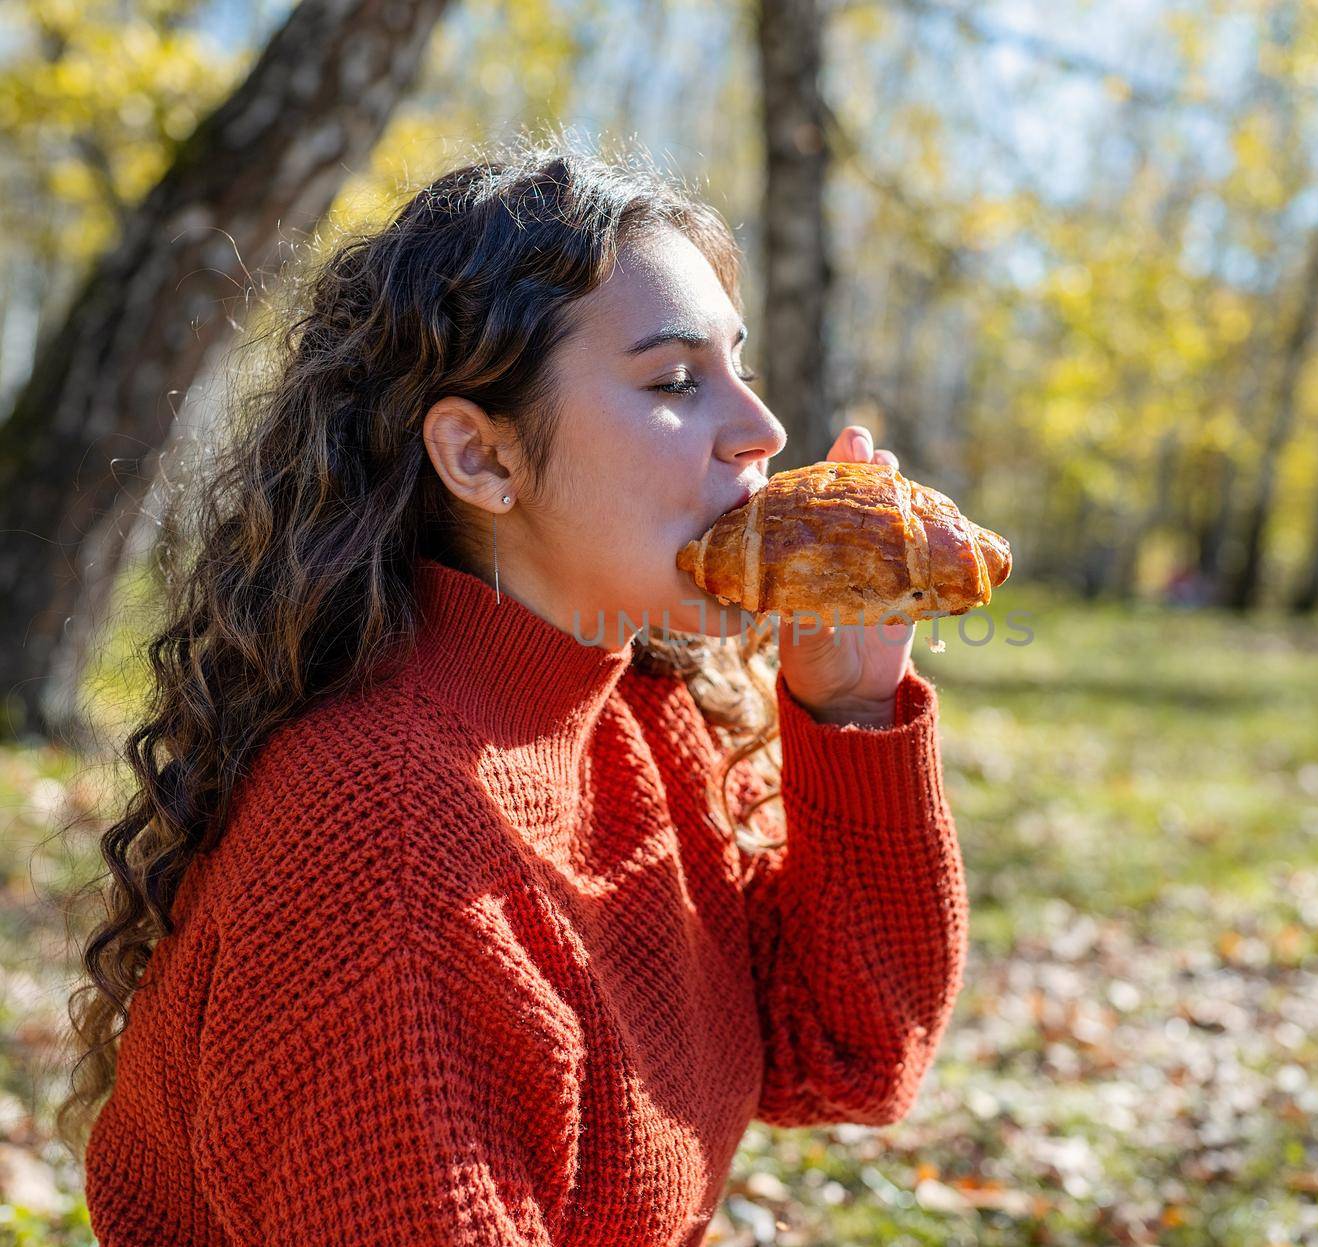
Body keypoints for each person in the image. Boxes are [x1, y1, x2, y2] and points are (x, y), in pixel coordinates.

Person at [62, 137, 969, 1247]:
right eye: (677, 380)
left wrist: (853, 707)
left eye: (741, 365)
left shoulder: (634, 710)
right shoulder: (385, 842)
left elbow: (847, 1056)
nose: (764, 431)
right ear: (482, 458)